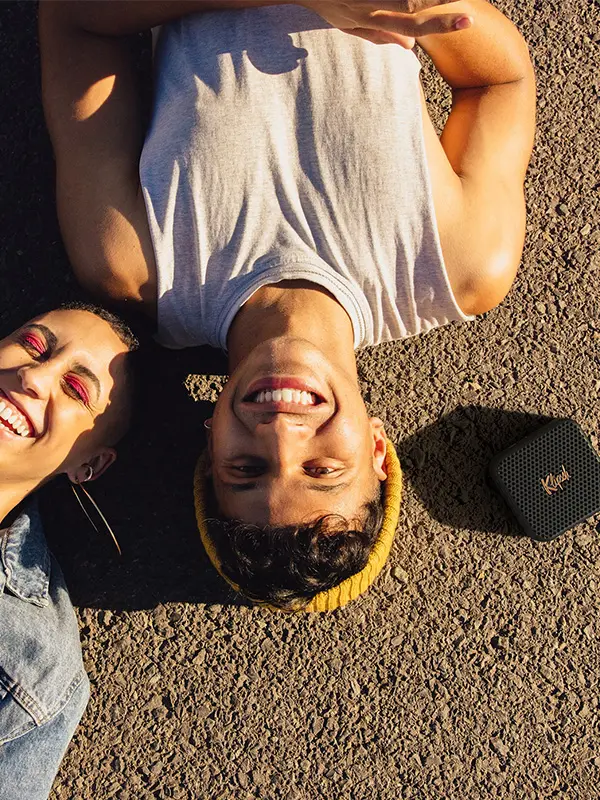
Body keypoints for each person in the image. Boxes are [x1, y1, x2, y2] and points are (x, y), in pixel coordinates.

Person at [39, 0, 535, 609]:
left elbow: (74, 19)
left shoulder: (133, 262)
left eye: (246, 468)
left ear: (210, 447)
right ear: (378, 451)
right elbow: (499, 82)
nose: (281, 434)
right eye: (322, 470)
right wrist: (425, 9)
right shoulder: (463, 265)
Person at [0, 304, 137, 799]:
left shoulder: (30, 667)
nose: (34, 377)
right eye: (34, 345)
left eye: (76, 390)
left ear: (89, 466)